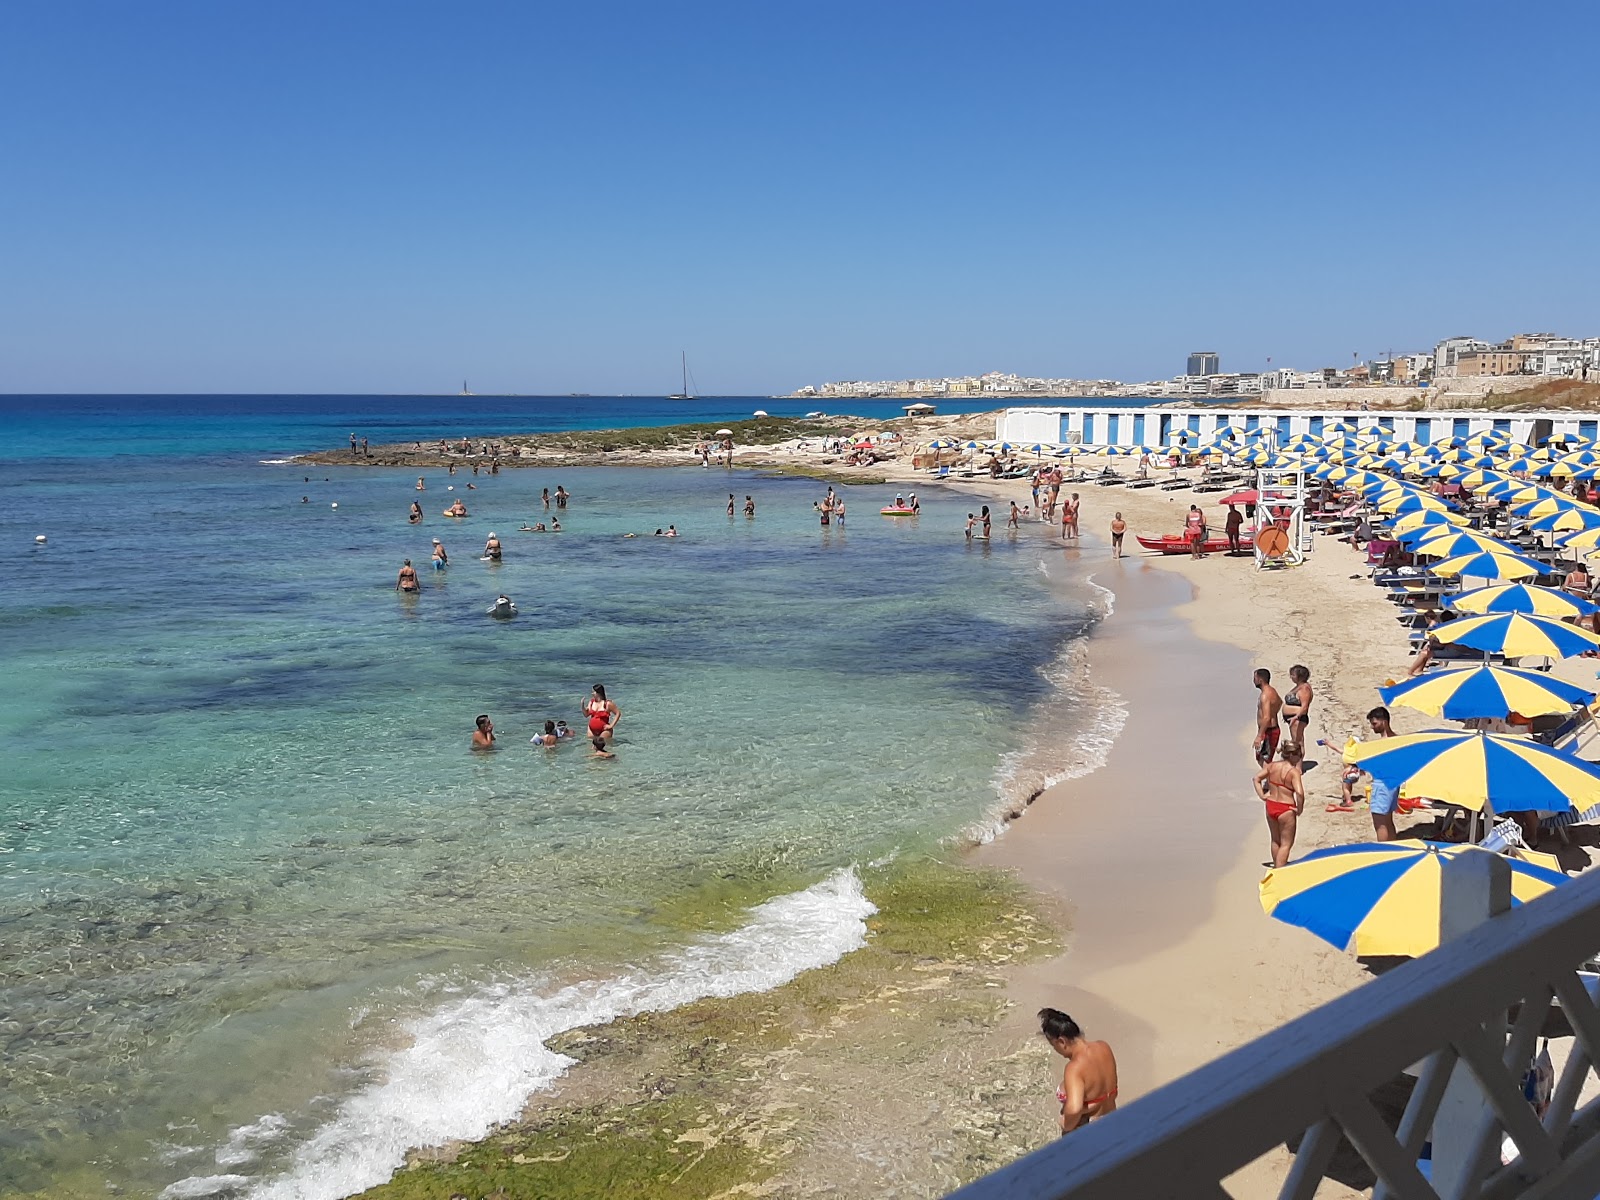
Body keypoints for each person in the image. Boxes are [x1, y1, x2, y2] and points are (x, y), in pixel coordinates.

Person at [1038, 1008, 1118, 1135]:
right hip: (1112, 1120)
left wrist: (1066, 1124)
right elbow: (1109, 1092)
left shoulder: (1074, 1068)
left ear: (1061, 1041)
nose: (1056, 1050)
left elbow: (1074, 1109)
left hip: (1087, 1131)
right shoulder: (1103, 1047)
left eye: (1054, 1046)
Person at [1255, 742, 1305, 868]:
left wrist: (1262, 795)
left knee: (1275, 840)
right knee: (1286, 844)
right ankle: (1280, 871)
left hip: (1271, 804)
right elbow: (1299, 793)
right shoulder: (1293, 772)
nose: (1299, 758)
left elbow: (1256, 779)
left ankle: (1277, 866)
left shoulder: (1272, 766)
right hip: (1286, 808)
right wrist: (1300, 808)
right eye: (1299, 755)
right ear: (1292, 755)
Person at [1363, 706, 1401, 841]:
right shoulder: (1398, 740)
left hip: (1382, 784)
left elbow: (1381, 766)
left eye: (1374, 723)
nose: (1372, 727)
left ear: (1383, 721)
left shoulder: (1384, 743)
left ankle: (1384, 851)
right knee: (1388, 820)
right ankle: (1392, 848)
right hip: (1393, 784)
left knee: (1380, 823)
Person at [1253, 668, 1283, 764]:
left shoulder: (1265, 695)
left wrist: (1259, 735)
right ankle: (1269, 778)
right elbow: (1280, 702)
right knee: (1261, 758)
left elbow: (1266, 717)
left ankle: (1271, 778)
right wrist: (1273, 713)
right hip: (1270, 729)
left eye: (1255, 678)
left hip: (1268, 731)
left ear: (1260, 680)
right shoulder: (1272, 691)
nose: (1253, 681)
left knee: (1264, 759)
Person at [1282, 664, 1313, 752]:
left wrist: (1295, 717)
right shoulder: (1299, 686)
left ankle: (1298, 764)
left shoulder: (1304, 689)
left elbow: (1305, 706)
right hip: (1294, 718)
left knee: (1298, 743)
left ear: (1299, 676)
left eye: (1293, 675)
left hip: (1298, 719)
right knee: (1295, 741)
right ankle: (1297, 763)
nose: (1291, 677)